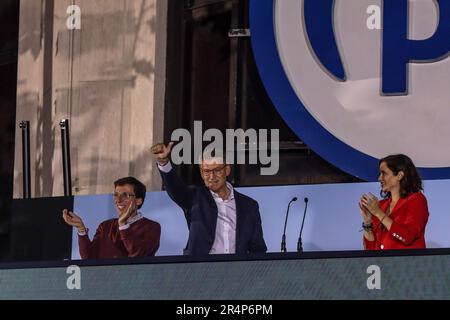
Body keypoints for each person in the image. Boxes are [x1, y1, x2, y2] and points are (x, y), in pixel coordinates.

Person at [151, 142, 267, 256]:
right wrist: (163, 162)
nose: (211, 177)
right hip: (201, 269)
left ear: (227, 170)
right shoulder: (194, 198)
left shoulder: (249, 205)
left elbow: (257, 248)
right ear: (201, 173)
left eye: (217, 170)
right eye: (206, 171)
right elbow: (175, 188)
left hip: (236, 270)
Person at [62, 177, 161, 259]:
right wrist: (81, 229)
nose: (118, 200)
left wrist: (123, 225)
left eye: (125, 195)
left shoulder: (152, 227)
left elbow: (138, 256)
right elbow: (89, 258)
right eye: (116, 195)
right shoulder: (105, 225)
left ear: (138, 201)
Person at [359, 154, 429, 250]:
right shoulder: (381, 205)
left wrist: (379, 213)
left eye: (384, 173)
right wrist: (367, 223)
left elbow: (408, 236)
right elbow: (371, 251)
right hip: (383, 264)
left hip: (407, 263)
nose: (379, 178)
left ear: (399, 175)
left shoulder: (417, 200)